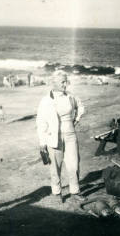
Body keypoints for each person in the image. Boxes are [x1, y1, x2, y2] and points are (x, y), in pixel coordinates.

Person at [37, 70, 86, 204]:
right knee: (55, 167)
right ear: (54, 83)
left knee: (74, 164)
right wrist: (42, 142)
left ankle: (75, 191)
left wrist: (76, 119)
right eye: (62, 82)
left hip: (70, 135)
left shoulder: (70, 96)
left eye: (66, 81)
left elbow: (81, 106)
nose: (65, 85)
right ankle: (57, 193)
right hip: (53, 137)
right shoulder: (46, 100)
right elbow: (41, 122)